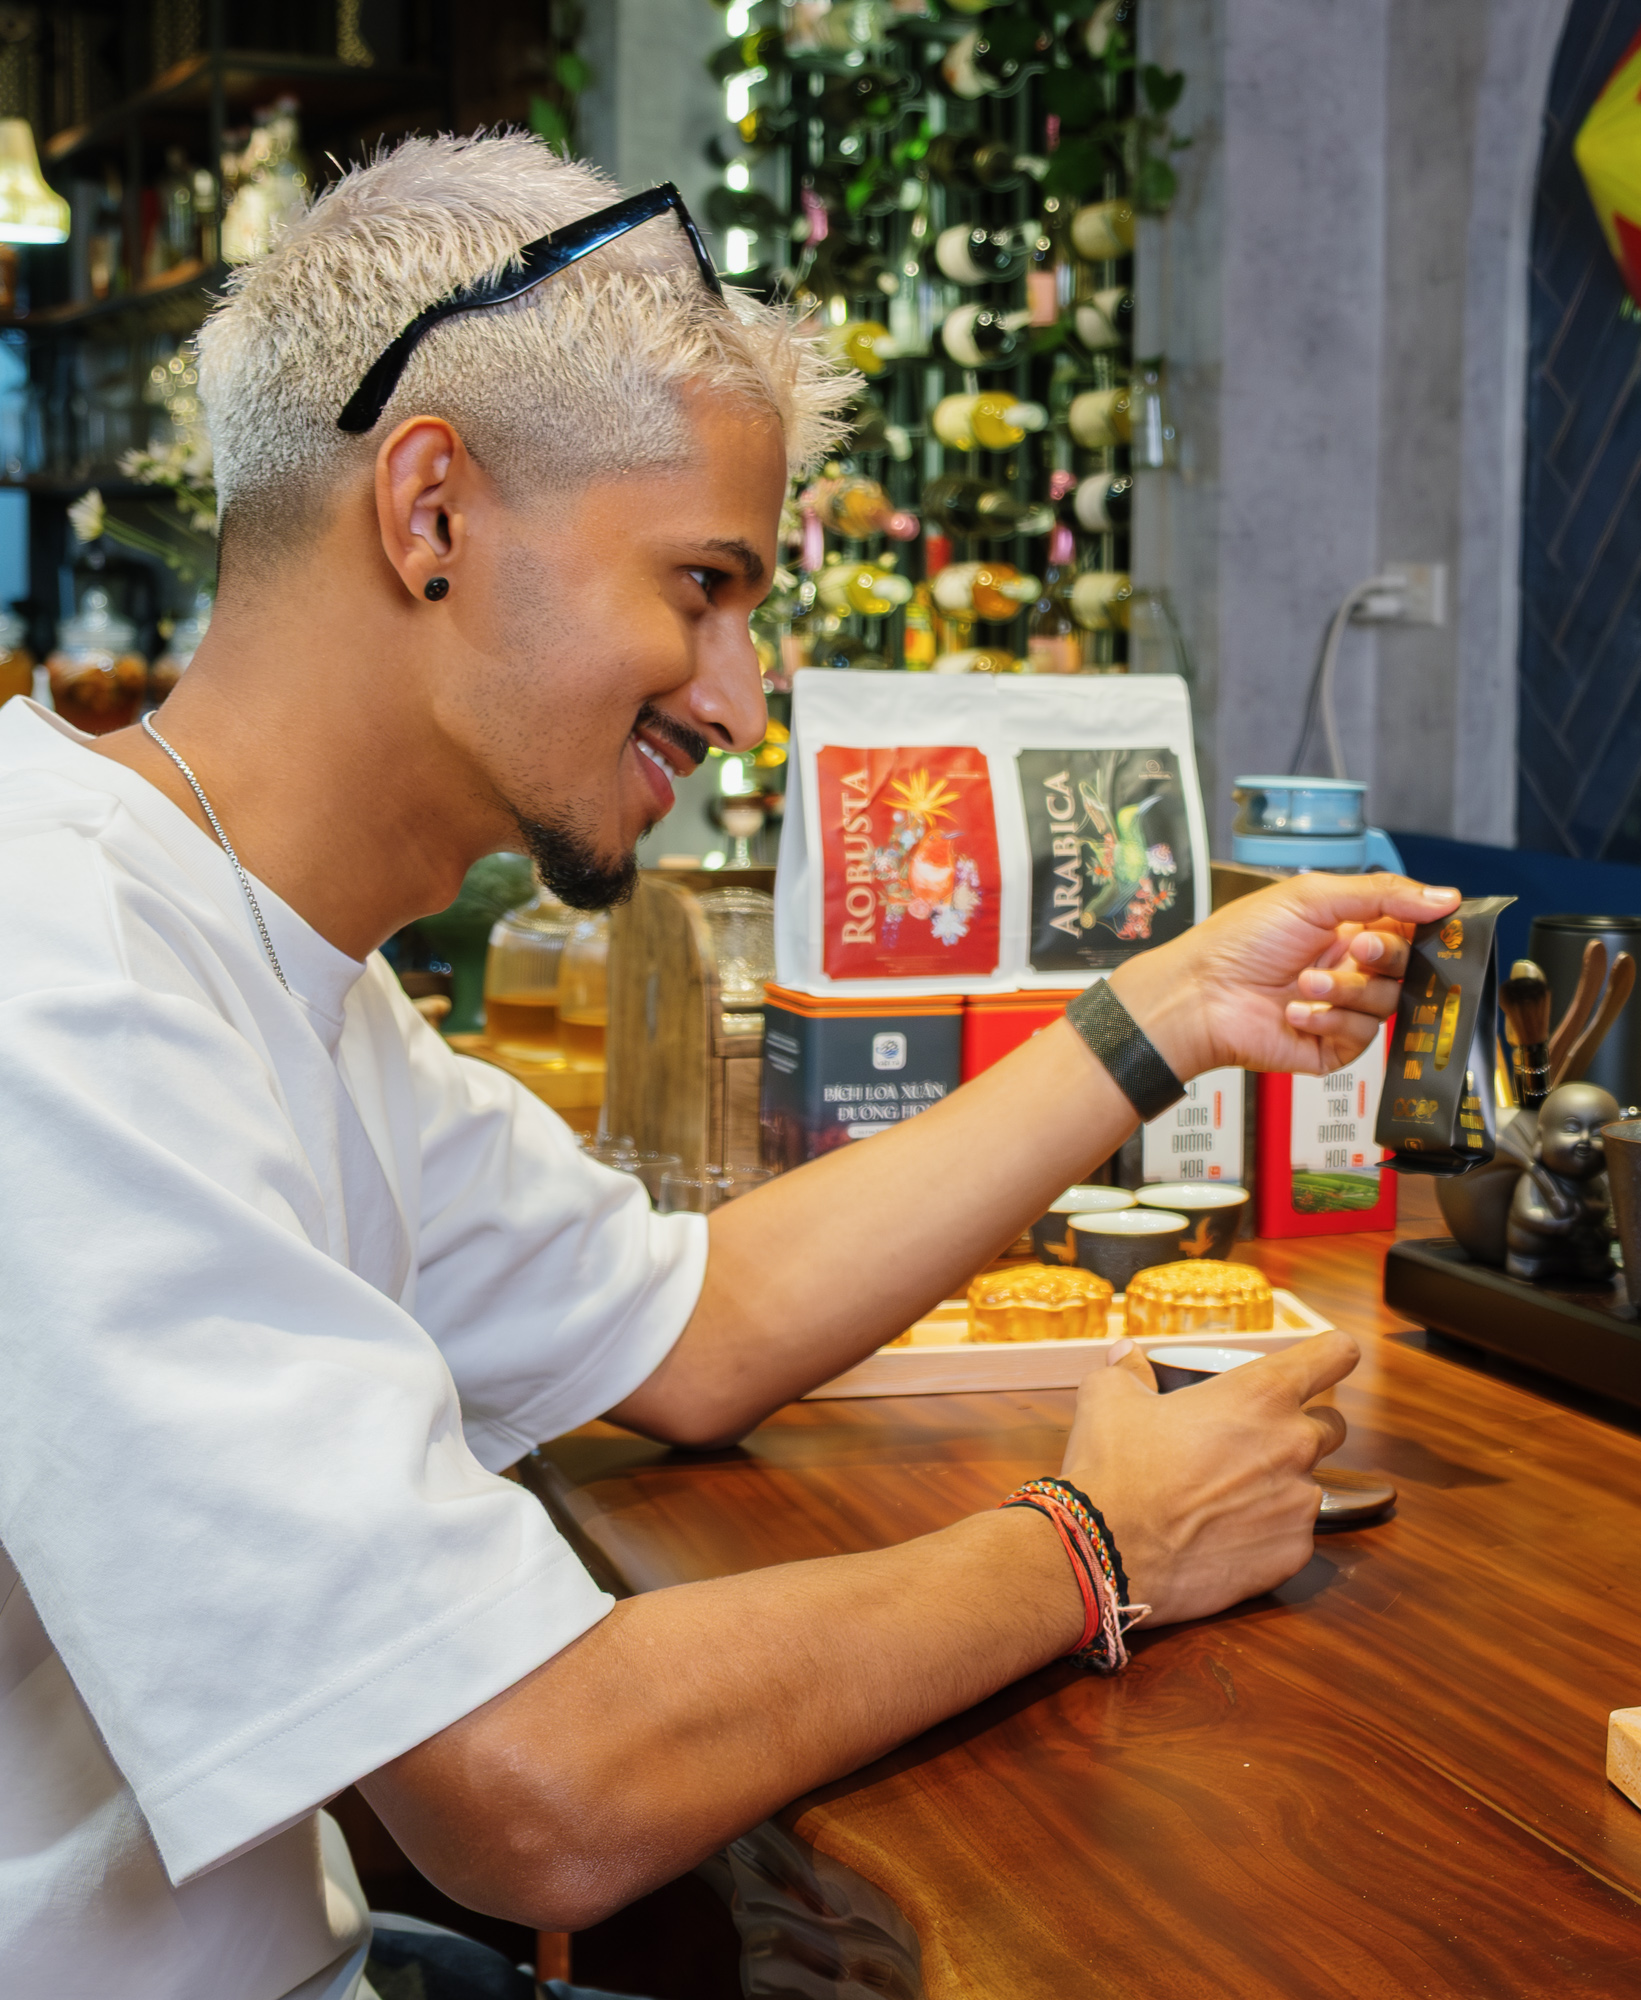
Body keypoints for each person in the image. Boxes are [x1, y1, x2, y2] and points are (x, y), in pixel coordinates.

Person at [0, 135, 1461, 2000]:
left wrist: (1166, 1012)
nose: (738, 695)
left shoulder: (277, 964)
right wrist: (1102, 1545)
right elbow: (538, 1782)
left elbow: (701, 1327)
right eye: (701, 585)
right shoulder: (61, 967)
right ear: (429, 513)